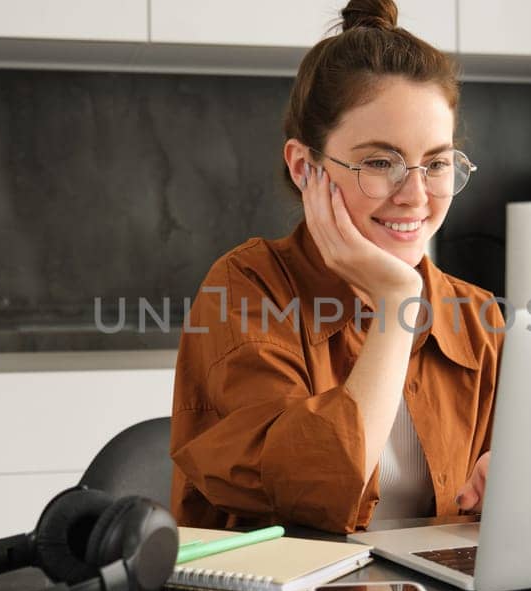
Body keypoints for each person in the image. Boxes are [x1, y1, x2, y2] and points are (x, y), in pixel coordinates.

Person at [168, 0, 503, 534]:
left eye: (436, 163)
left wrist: (510, 483)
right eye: (379, 163)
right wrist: (396, 303)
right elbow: (307, 487)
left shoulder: (477, 315)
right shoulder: (245, 289)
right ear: (306, 168)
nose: (416, 195)